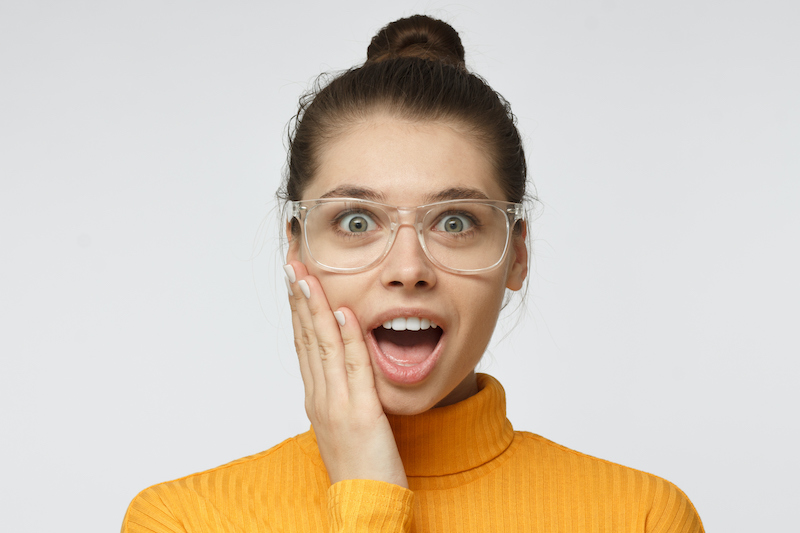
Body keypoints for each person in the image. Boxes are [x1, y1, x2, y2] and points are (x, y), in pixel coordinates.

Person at [122, 15, 704, 532]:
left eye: (454, 221)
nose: (408, 269)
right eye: (355, 221)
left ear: (517, 254)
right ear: (294, 246)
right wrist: (368, 491)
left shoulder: (641, 517)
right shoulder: (184, 520)